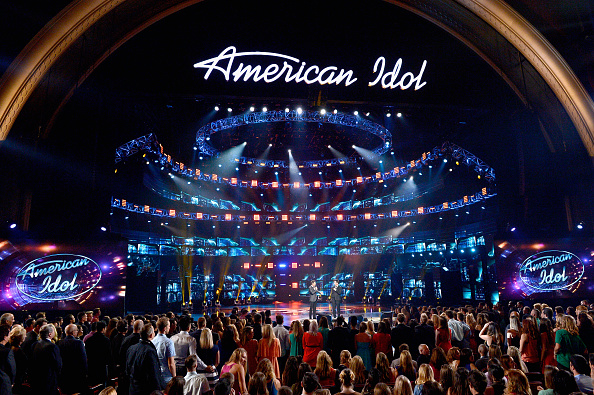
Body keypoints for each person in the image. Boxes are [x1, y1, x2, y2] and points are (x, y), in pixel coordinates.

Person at [126, 323, 165, 394]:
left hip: (132, 388)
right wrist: (158, 390)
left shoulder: (131, 348)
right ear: (151, 335)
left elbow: (127, 370)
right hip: (144, 390)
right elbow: (153, 373)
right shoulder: (149, 351)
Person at [30, 324, 62, 395]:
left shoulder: (34, 344)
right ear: (50, 334)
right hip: (49, 380)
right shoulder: (52, 347)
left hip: (36, 379)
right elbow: (58, 365)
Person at [57, 324, 88, 394]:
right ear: (73, 332)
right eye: (76, 330)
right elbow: (83, 360)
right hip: (76, 376)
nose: (77, 332)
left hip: (64, 375)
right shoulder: (79, 343)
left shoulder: (59, 343)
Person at [85, 320, 113, 387]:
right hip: (102, 368)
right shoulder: (106, 341)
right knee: (102, 387)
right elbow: (109, 355)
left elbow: (86, 354)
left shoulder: (89, 340)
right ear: (103, 329)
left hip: (91, 367)